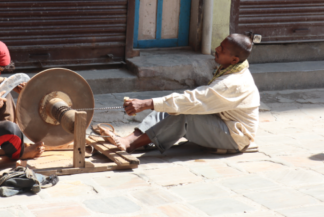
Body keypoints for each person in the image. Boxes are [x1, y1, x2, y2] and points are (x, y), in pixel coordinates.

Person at [101, 34, 260, 154]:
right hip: (221, 121)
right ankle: (131, 139)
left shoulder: (233, 83)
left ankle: (132, 144)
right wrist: (153, 104)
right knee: (170, 105)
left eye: (222, 49)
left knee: (185, 112)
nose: (217, 49)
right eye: (220, 45)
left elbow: (195, 101)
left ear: (234, 59)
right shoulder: (233, 68)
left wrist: (146, 103)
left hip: (235, 136)